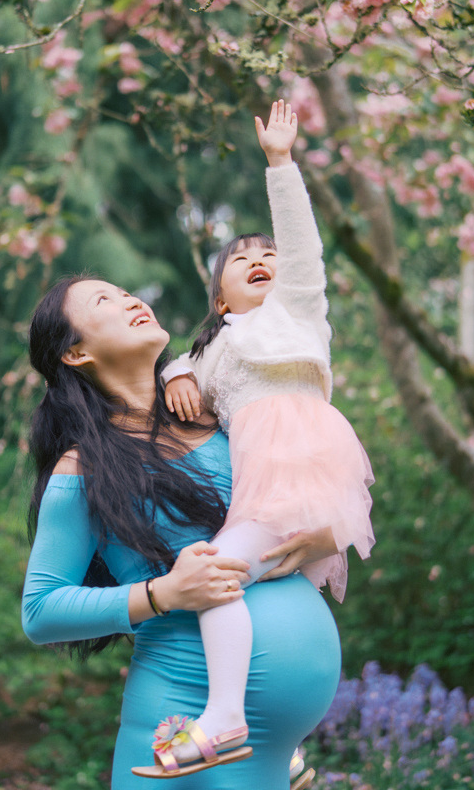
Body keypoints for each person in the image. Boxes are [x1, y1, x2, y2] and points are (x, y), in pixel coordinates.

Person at [22, 266, 342, 787]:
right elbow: (41, 611)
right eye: (105, 300)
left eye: (128, 289)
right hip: (183, 722)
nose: (130, 299)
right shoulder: (83, 469)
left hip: (266, 751)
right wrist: (165, 592)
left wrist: (327, 534)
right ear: (76, 353)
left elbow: (311, 482)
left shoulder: (225, 419)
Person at [145, 99, 375, 776]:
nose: (260, 258)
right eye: (241, 257)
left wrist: (280, 164)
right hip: (261, 482)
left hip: (302, 470)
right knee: (276, 601)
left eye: (266, 254)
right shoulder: (214, 350)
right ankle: (289, 749)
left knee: (216, 576)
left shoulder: (297, 312)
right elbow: (186, 374)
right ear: (218, 299)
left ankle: (223, 719)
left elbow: (301, 245)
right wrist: (174, 373)